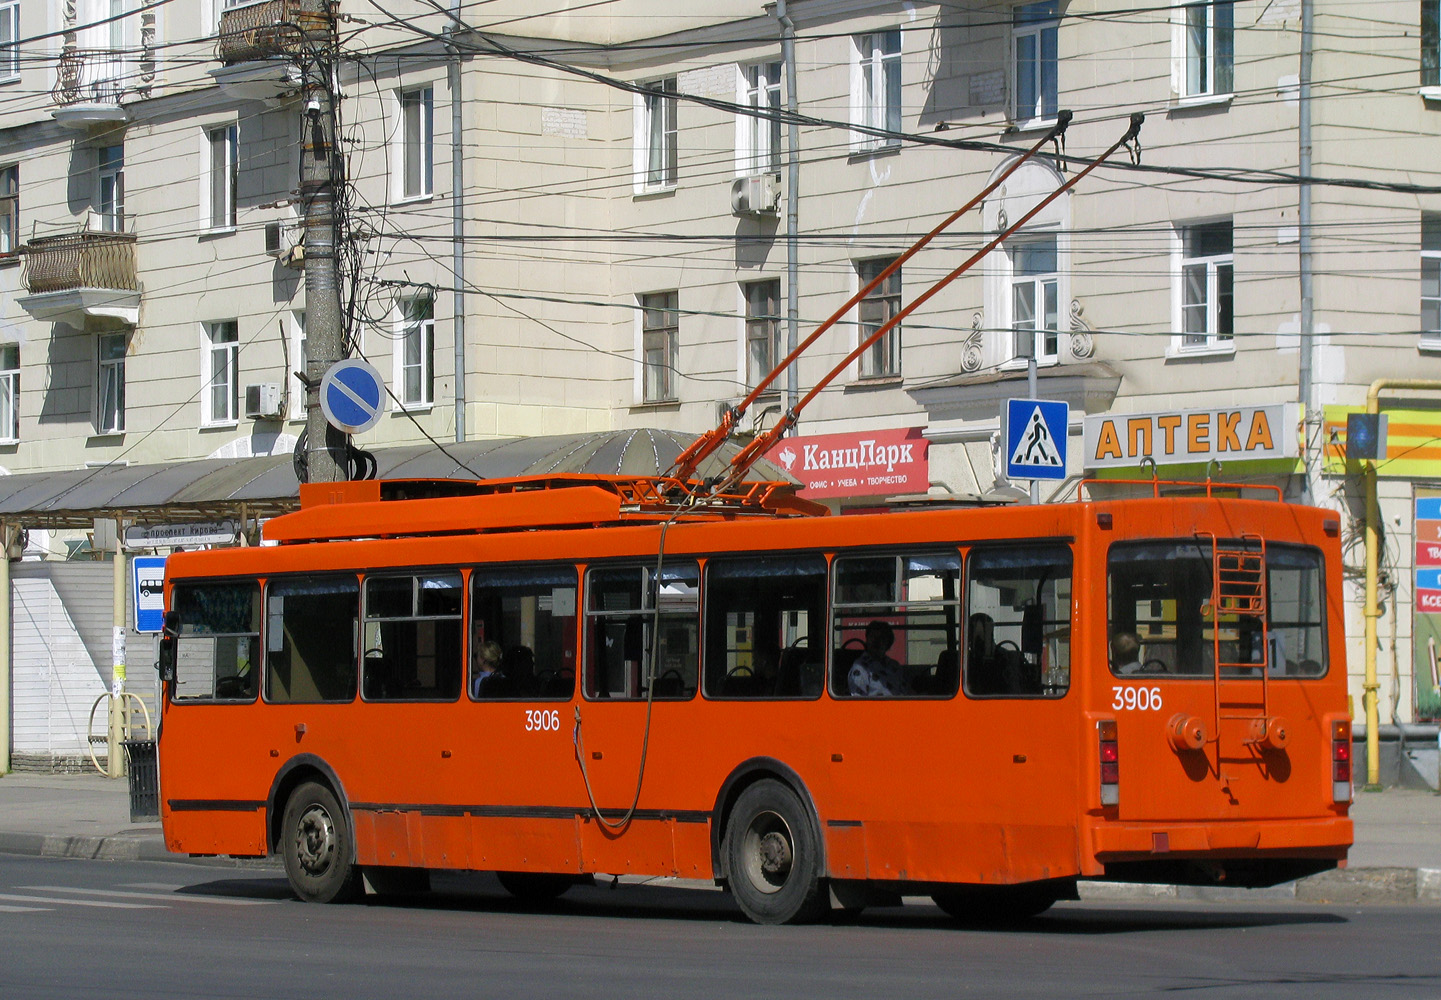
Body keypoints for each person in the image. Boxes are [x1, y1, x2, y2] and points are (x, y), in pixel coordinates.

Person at [848, 620, 909, 696]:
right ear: (867, 640)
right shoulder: (860, 667)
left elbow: (905, 694)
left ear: (888, 642)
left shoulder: (895, 666)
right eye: (873, 637)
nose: (876, 641)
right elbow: (857, 701)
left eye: (881, 638)